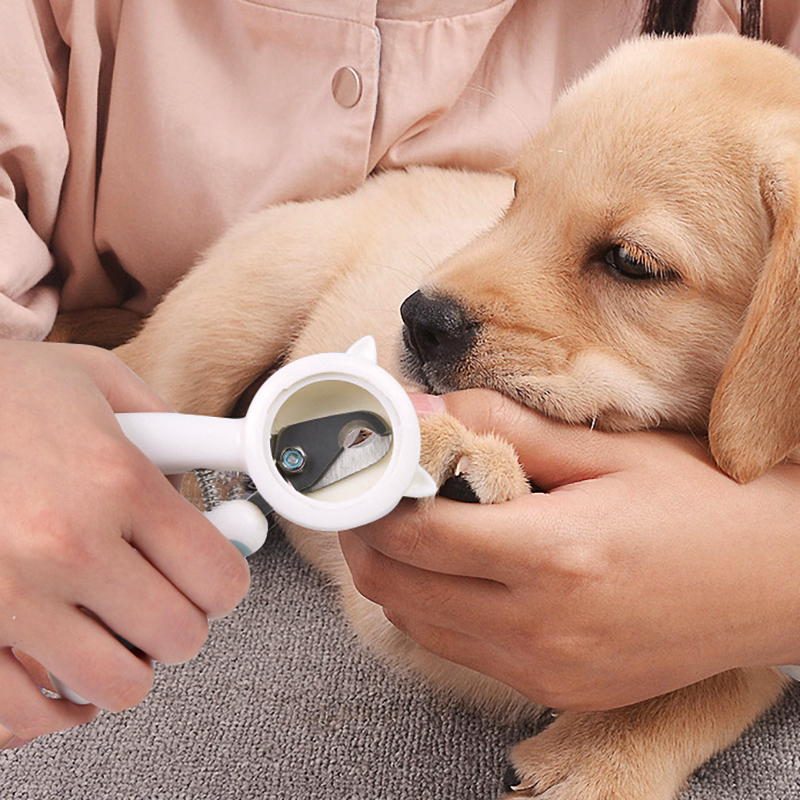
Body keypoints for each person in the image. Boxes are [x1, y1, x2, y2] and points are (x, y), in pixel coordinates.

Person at [2, 0, 800, 751]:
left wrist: (764, 582)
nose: (439, 299)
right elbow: (391, 602)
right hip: (311, 267)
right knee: (270, 266)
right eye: (519, 192)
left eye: (630, 261)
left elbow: (747, 653)